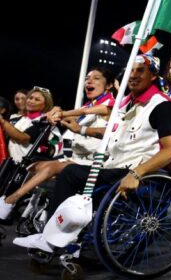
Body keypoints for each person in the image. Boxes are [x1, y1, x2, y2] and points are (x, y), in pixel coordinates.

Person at [13, 55, 171, 252]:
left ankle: (50, 239)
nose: (133, 75)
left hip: (134, 170)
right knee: (64, 173)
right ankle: (64, 236)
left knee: (70, 173)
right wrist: (79, 128)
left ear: (153, 75)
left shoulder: (162, 105)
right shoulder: (126, 103)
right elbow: (110, 132)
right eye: (130, 70)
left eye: (140, 70)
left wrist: (136, 174)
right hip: (112, 165)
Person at [0, 68, 116, 219]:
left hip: (97, 161)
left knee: (51, 167)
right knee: (34, 166)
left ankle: (11, 201)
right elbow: (74, 117)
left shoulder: (110, 103)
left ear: (108, 85)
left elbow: (82, 113)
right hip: (76, 158)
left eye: (96, 78)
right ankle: (28, 207)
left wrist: (61, 113)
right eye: (87, 78)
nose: (89, 81)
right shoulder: (89, 104)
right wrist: (57, 116)